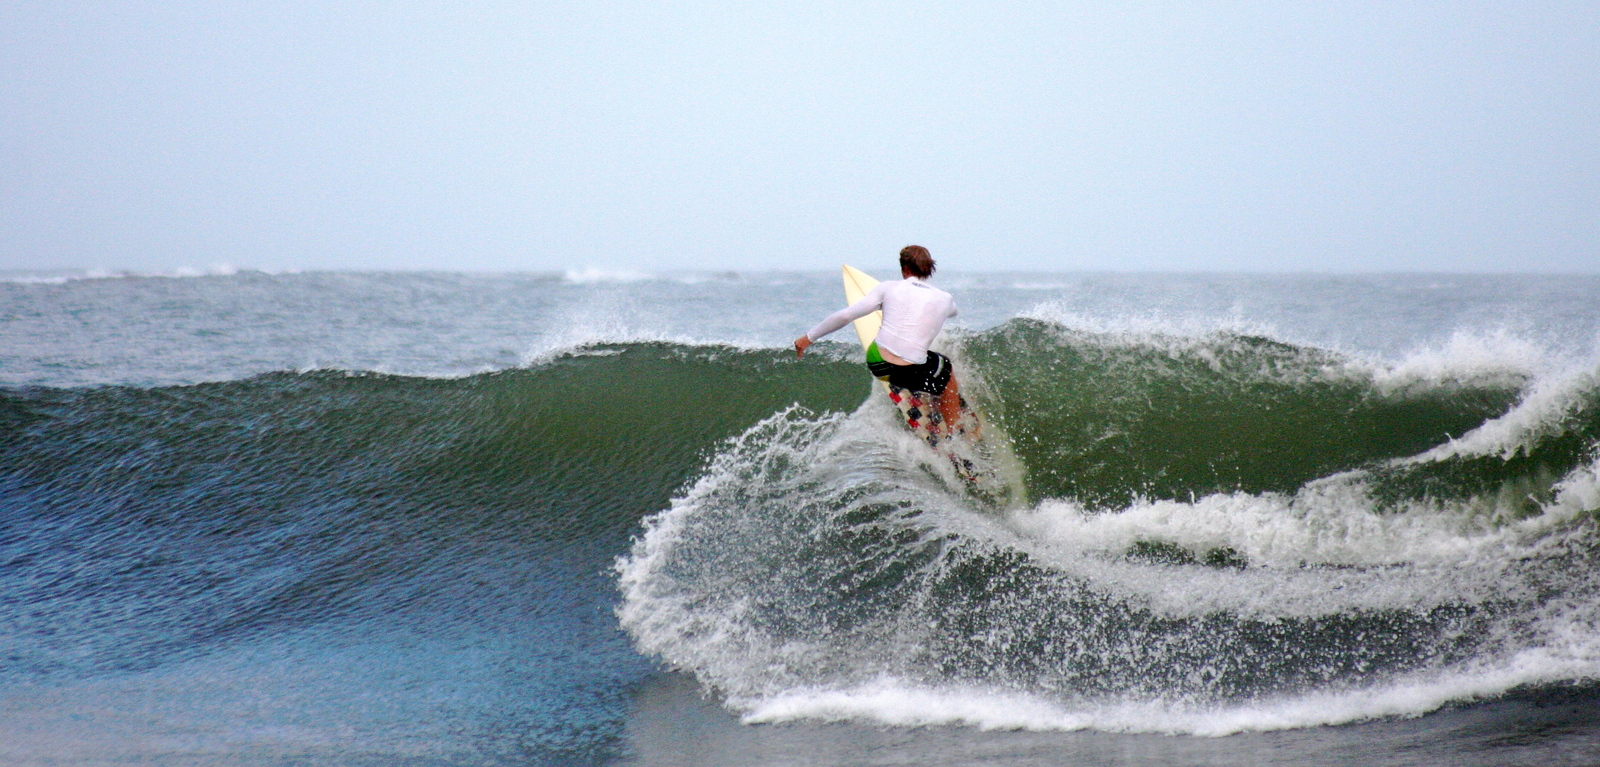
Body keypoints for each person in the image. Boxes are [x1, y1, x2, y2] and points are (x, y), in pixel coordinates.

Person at [795, 245, 964, 430]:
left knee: (925, 360)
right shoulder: (945, 299)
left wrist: (808, 338)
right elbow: (954, 312)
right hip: (912, 370)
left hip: (878, 363)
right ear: (929, 268)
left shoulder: (888, 288)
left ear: (905, 268)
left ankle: (922, 395)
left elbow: (845, 316)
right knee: (944, 367)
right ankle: (954, 437)